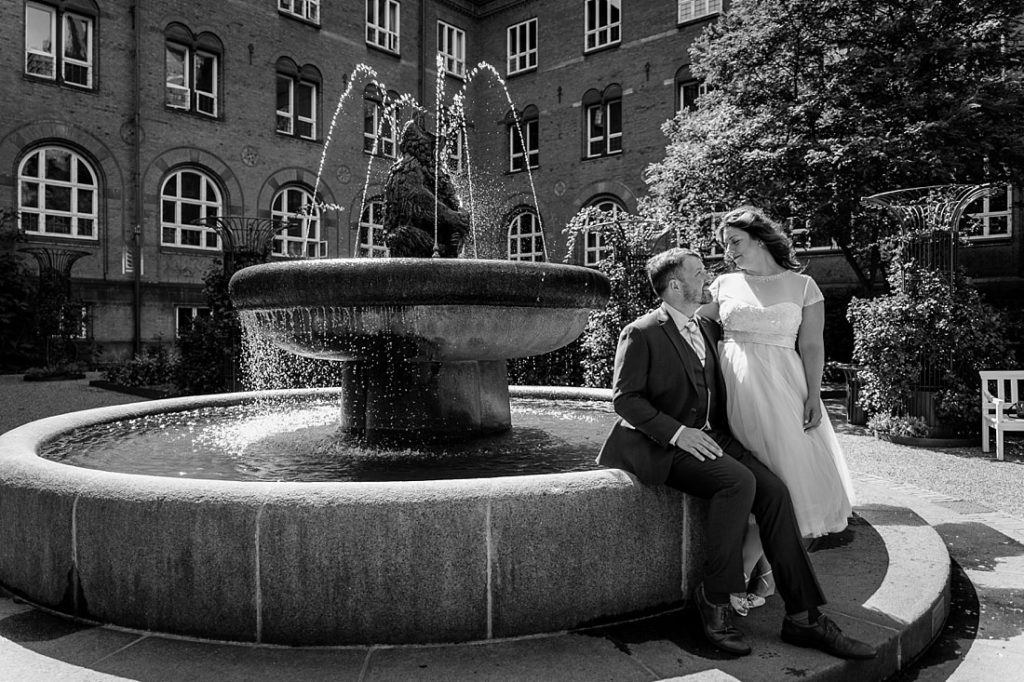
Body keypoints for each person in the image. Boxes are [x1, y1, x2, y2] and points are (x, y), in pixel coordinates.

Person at [597, 247, 875, 659]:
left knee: (777, 493)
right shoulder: (642, 331)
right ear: (675, 285)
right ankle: (715, 597)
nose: (707, 277)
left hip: (716, 438)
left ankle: (804, 617)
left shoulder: (706, 328)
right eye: (697, 272)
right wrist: (678, 434)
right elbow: (625, 400)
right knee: (738, 482)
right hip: (665, 445)